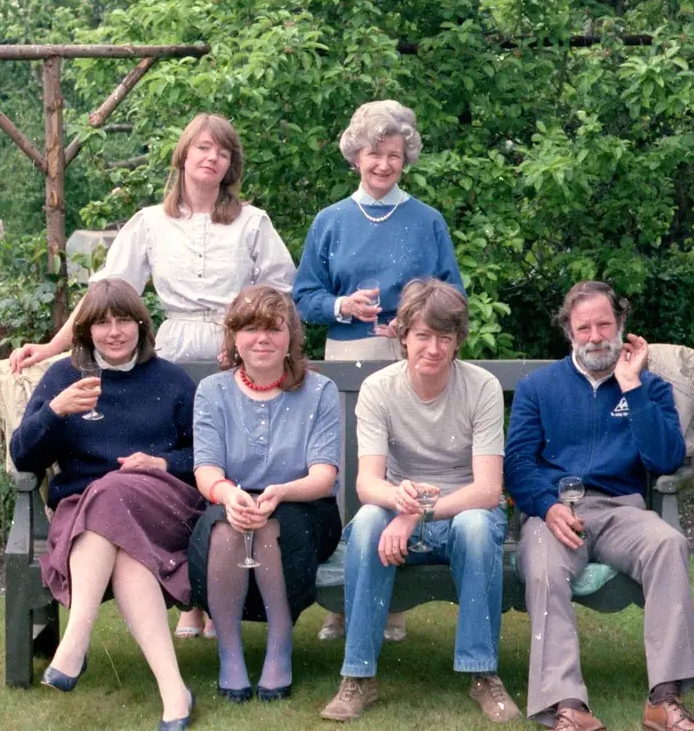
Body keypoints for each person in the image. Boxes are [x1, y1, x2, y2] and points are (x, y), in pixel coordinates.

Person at [10, 111, 294, 638]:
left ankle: (208, 585)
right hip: (178, 346)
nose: (212, 158)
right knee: (181, 453)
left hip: (235, 352)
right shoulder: (149, 223)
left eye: (223, 152)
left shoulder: (252, 222)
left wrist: (256, 345)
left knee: (222, 459)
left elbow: (279, 295)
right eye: (203, 148)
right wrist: (52, 345)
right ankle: (193, 606)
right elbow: (106, 294)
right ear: (184, 155)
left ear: (231, 165)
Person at [294, 99, 463, 641]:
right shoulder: (331, 221)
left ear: (405, 158)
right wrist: (345, 307)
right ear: (356, 156)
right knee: (349, 476)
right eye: (374, 154)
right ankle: (344, 601)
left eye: (394, 155)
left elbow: (452, 294)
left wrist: (413, 319)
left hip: (413, 357)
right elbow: (302, 298)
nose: (384, 165)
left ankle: (391, 605)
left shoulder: (427, 220)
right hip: (346, 358)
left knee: (399, 472)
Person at [504, 281, 694, 731]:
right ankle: (567, 706)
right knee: (544, 568)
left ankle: (665, 701)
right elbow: (516, 463)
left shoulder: (649, 388)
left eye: (604, 324)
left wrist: (631, 386)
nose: (595, 336)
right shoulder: (538, 388)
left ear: (621, 326)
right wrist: (545, 505)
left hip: (621, 509)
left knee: (668, 545)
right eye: (584, 328)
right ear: (569, 332)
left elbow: (666, 458)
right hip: (555, 511)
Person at [320, 279, 518, 723]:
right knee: (369, 523)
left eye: (445, 337)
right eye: (423, 335)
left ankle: (482, 672)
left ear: (457, 340)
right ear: (403, 335)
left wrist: (417, 514)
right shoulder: (379, 389)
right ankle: (358, 677)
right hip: (397, 505)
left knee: (475, 525)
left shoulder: (481, 387)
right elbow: (368, 484)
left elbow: (487, 490)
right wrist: (401, 506)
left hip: (465, 511)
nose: (433, 347)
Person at [8, 278, 199, 731]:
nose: (114, 332)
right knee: (121, 540)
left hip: (162, 504)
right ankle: (175, 691)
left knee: (113, 488)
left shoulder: (170, 380)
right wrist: (55, 412)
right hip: (84, 514)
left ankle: (74, 643)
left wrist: (160, 461)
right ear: (86, 331)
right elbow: (23, 456)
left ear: (141, 325)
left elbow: (205, 457)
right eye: (101, 323)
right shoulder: (63, 379)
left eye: (124, 321)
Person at [185, 285, 343, 703]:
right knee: (224, 531)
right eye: (251, 328)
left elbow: (324, 476)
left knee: (270, 527)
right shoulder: (212, 391)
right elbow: (206, 469)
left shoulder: (320, 391)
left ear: (290, 336)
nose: (262, 339)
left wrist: (281, 491)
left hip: (305, 503)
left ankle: (279, 647)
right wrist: (225, 493)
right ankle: (230, 654)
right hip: (231, 498)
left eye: (273, 329)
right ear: (234, 337)